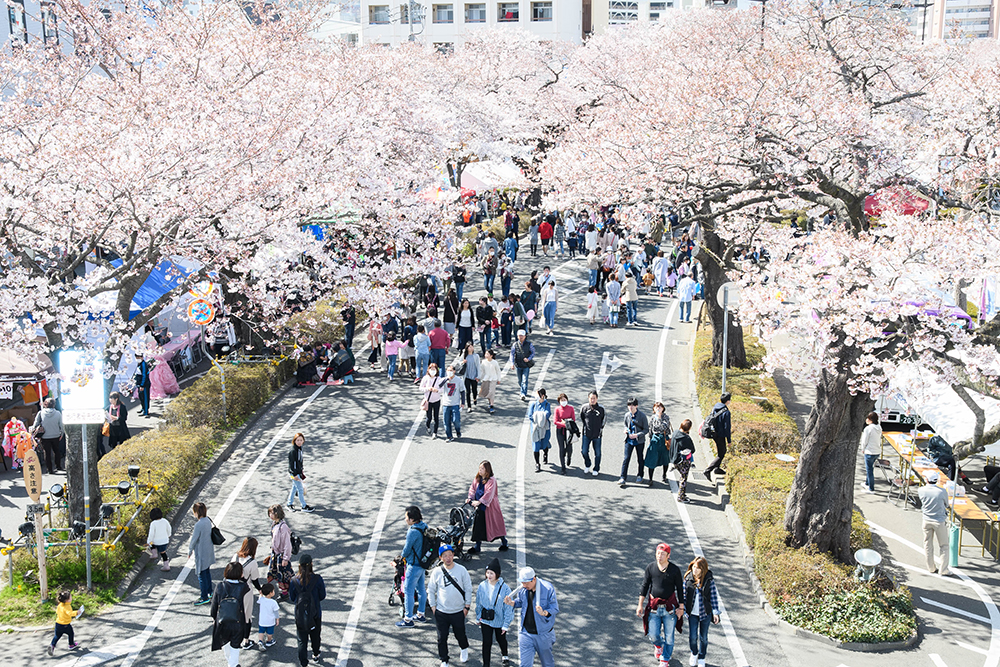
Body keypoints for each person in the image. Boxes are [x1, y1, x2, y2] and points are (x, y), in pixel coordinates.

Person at [636, 543, 685, 666]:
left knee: (669, 637)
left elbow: (680, 589)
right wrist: (640, 604)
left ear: (668, 555)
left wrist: (681, 608)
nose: (660, 556)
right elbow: (645, 586)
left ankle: (665, 658)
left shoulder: (674, 570)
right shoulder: (650, 567)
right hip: (654, 608)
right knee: (653, 634)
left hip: (670, 609)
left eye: (663, 554)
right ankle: (658, 646)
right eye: (658, 553)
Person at [428, 544, 473, 667]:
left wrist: (467, 606)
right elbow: (431, 590)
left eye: (450, 555)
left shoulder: (462, 570)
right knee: (442, 638)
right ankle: (444, 659)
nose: (448, 558)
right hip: (441, 612)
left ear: (453, 555)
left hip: (458, 610)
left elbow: (468, 588)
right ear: (440, 557)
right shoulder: (437, 572)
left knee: (460, 634)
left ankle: (464, 649)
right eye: (445, 556)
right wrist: (433, 607)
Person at [504, 567, 558, 667]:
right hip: (526, 633)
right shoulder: (523, 589)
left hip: (543, 634)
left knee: (547, 664)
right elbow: (520, 602)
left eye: (526, 583)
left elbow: (554, 608)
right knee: (525, 665)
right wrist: (512, 603)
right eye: (522, 583)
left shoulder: (547, 588)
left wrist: (544, 612)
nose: (524, 585)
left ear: (533, 579)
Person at [396, 505, 432, 627]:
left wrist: (401, 556)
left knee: (408, 591)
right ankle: (420, 614)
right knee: (421, 589)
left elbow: (406, 550)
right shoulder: (424, 526)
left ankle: (408, 619)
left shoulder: (412, 531)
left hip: (414, 564)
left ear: (412, 519)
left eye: (406, 517)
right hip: (423, 563)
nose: (405, 519)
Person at [210, 562, 252, 667]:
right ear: (240, 574)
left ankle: (232, 663)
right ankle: (233, 664)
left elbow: (214, 605)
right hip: (237, 622)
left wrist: (214, 617)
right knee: (235, 645)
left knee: (225, 643)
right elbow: (246, 606)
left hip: (222, 621)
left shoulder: (219, 586)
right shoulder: (244, 587)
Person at [289, 554, 326, 666]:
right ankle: (315, 654)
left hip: (300, 614)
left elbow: (292, 597)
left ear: (299, 566)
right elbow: (322, 595)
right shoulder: (317, 579)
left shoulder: (294, 580)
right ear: (311, 565)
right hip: (315, 613)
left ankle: (303, 662)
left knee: (301, 640)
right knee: (315, 635)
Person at [476, 558, 514, 667]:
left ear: (497, 574)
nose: (489, 575)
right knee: (486, 643)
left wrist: (506, 624)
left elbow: (508, 608)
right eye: (487, 573)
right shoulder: (482, 586)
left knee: (501, 639)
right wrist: (478, 617)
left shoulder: (505, 589)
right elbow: (478, 602)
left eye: (491, 573)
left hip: (499, 620)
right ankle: (486, 664)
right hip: (486, 620)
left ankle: (505, 655)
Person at [684, 556, 721, 667]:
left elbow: (713, 597)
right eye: (694, 567)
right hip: (692, 614)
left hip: (705, 614)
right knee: (693, 637)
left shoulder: (709, 580)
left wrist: (715, 613)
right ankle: (694, 653)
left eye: (698, 568)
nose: (695, 570)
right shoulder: (688, 579)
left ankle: (701, 657)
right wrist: (683, 610)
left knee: (703, 638)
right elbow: (684, 596)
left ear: (703, 569)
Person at [467, 461, 510, 553]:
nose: (480, 470)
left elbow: (489, 494)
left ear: (487, 470)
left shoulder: (491, 480)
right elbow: (472, 488)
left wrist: (479, 502)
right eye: (479, 468)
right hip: (479, 508)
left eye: (482, 469)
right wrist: (470, 498)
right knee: (478, 526)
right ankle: (477, 546)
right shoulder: (477, 478)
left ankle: (504, 541)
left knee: (495, 525)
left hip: (490, 507)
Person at [231, 537, 263, 648]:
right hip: (246, 591)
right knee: (246, 616)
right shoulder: (252, 562)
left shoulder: (235, 557)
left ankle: (234, 638)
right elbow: (255, 579)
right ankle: (246, 640)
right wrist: (260, 590)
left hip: (232, 588)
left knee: (235, 613)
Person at [918, 471, 951, 575]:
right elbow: (946, 504)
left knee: (928, 544)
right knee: (944, 546)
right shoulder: (942, 491)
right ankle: (943, 569)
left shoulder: (921, 490)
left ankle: (931, 567)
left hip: (926, 519)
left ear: (926, 479)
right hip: (939, 521)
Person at [264, 504, 294, 599]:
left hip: (281, 556)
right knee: (279, 575)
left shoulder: (283, 527)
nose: (270, 515)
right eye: (269, 513)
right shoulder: (275, 524)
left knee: (284, 576)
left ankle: (287, 593)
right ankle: (285, 592)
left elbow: (287, 544)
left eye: (272, 513)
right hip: (276, 554)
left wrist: (286, 558)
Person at [190, 502, 216, 605]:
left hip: (201, 552)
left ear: (196, 512)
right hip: (208, 550)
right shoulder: (207, 520)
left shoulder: (199, 524)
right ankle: (210, 592)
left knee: (201, 574)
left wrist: (189, 550)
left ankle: (204, 596)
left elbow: (194, 539)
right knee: (207, 572)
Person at [619, 397, 649, 488]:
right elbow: (625, 425)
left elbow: (646, 429)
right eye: (629, 405)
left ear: (636, 406)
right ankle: (623, 477)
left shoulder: (642, 416)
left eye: (632, 405)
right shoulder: (627, 415)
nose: (630, 407)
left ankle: (640, 475)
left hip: (639, 441)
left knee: (640, 458)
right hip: (629, 440)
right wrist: (625, 430)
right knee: (626, 458)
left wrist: (637, 435)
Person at [703, 393, 732, 482]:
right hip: (720, 434)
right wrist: (729, 440)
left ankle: (717, 468)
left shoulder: (716, 407)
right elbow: (727, 427)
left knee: (720, 451)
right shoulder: (726, 412)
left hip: (714, 433)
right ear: (728, 401)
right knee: (722, 453)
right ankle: (708, 470)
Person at [32, 397, 65, 474]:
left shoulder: (40, 413)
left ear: (45, 404)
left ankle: (49, 469)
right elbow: (61, 425)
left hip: (45, 436)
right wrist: (61, 433)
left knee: (47, 453)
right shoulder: (58, 413)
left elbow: (35, 424)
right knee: (57, 451)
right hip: (56, 435)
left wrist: (33, 431)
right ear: (54, 405)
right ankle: (58, 466)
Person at [286, 433, 315, 513]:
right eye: (297, 440)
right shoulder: (293, 451)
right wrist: (295, 475)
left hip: (298, 472)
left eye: (301, 440)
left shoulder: (299, 449)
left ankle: (289, 504)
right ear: (294, 441)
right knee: (300, 489)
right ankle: (303, 506)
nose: (299, 442)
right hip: (294, 473)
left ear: (303, 441)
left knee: (294, 488)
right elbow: (292, 464)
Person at [644, 402, 672, 485]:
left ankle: (664, 475)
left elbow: (663, 427)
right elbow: (651, 429)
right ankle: (650, 478)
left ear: (663, 408)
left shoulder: (666, 417)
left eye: (660, 407)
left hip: (664, 439)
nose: (658, 409)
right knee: (651, 459)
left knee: (665, 459)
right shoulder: (652, 418)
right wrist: (650, 439)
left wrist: (659, 417)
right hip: (655, 439)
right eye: (656, 408)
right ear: (653, 409)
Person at [47, 590, 82, 656]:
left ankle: (52, 645)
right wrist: (77, 612)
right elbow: (70, 613)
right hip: (65, 625)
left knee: (57, 636)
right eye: (70, 597)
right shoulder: (67, 606)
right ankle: (71, 644)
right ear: (67, 600)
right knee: (71, 633)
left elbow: (57, 612)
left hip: (58, 624)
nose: (71, 597)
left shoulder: (60, 605)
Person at [580, 390, 607, 476]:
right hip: (586, 434)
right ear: (588, 398)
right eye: (591, 398)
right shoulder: (584, 408)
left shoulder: (601, 408)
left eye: (594, 398)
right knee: (584, 451)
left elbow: (604, 419)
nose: (592, 400)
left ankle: (596, 468)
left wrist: (600, 428)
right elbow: (582, 418)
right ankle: (588, 464)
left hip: (597, 435)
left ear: (597, 399)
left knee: (598, 453)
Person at [669, 420, 696, 502]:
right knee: (683, 478)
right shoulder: (686, 438)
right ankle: (681, 496)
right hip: (683, 460)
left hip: (674, 459)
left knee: (681, 476)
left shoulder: (675, 433)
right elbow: (693, 450)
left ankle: (682, 494)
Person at [529, 388, 553, 472]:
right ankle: (537, 463)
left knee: (544, 443)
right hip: (535, 428)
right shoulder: (533, 405)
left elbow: (547, 414)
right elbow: (530, 416)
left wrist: (538, 416)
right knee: (536, 446)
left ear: (542, 396)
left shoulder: (547, 405)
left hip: (544, 428)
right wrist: (538, 418)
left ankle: (545, 453)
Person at [553, 393, 577, 474]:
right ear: (559, 401)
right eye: (562, 400)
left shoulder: (571, 408)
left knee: (569, 447)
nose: (563, 401)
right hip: (560, 431)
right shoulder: (557, 409)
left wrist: (567, 423)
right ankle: (563, 467)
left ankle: (569, 456)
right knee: (561, 448)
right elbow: (555, 421)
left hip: (569, 431)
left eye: (565, 400)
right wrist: (564, 424)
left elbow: (573, 419)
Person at [861, 411, 883, 494]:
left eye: (868, 418)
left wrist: (862, 448)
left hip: (869, 451)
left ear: (870, 420)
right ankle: (867, 483)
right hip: (876, 451)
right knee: (870, 468)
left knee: (869, 470)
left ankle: (871, 488)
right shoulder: (879, 427)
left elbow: (864, 441)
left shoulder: (868, 429)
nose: (866, 420)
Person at [421, 363, 446, 438]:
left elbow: (442, 389)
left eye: (434, 369)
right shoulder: (425, 378)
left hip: (436, 400)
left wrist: (437, 390)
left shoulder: (439, 379)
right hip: (428, 401)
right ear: (428, 370)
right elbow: (420, 388)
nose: (432, 371)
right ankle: (428, 426)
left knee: (436, 417)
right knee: (429, 417)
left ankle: (435, 432)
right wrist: (427, 389)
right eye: (431, 369)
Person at [510, 330, 536, 401]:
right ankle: (523, 389)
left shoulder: (529, 344)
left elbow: (533, 352)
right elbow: (512, 354)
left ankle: (523, 393)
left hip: (526, 365)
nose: (520, 337)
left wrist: (528, 359)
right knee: (520, 380)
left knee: (524, 380)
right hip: (518, 365)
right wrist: (512, 363)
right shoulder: (515, 344)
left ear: (525, 336)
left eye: (522, 336)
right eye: (519, 335)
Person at [146, 507, 173, 572]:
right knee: (163, 553)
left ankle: (154, 553)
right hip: (164, 541)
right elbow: (169, 528)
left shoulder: (153, 523)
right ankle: (166, 566)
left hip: (156, 541)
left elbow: (151, 534)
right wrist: (169, 535)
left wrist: (148, 541)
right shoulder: (165, 520)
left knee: (151, 544)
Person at [442, 364, 464, 442]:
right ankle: (449, 436)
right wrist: (446, 379)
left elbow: (462, 391)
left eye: (451, 370)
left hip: (455, 403)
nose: (449, 372)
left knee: (456, 420)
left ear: (454, 371)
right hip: (446, 403)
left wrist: (463, 403)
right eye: (448, 371)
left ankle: (458, 430)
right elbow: (439, 386)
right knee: (446, 421)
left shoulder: (459, 380)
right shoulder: (444, 380)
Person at [257, 582, 281, 649]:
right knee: (269, 632)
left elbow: (259, 598)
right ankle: (269, 641)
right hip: (270, 621)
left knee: (261, 631)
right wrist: (277, 619)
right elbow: (276, 612)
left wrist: (260, 594)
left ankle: (260, 641)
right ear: (271, 593)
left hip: (262, 620)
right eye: (273, 591)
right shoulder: (273, 602)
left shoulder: (261, 600)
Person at [460, 343, 481, 413]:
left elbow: (478, 366)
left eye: (472, 347)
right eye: (469, 347)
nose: (471, 348)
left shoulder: (476, 356)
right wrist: (463, 362)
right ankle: (469, 406)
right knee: (468, 391)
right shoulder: (464, 356)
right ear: (467, 348)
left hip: (474, 376)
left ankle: (475, 398)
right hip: (467, 376)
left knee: (474, 390)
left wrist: (478, 376)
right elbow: (459, 363)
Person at [479, 349, 502, 415]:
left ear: (491, 355)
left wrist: (499, 379)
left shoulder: (495, 362)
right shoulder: (483, 362)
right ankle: (490, 402)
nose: (486, 355)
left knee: (491, 392)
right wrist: (480, 378)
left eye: (487, 354)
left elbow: (498, 371)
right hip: (486, 379)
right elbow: (481, 371)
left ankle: (491, 405)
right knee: (486, 392)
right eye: (485, 354)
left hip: (493, 379)